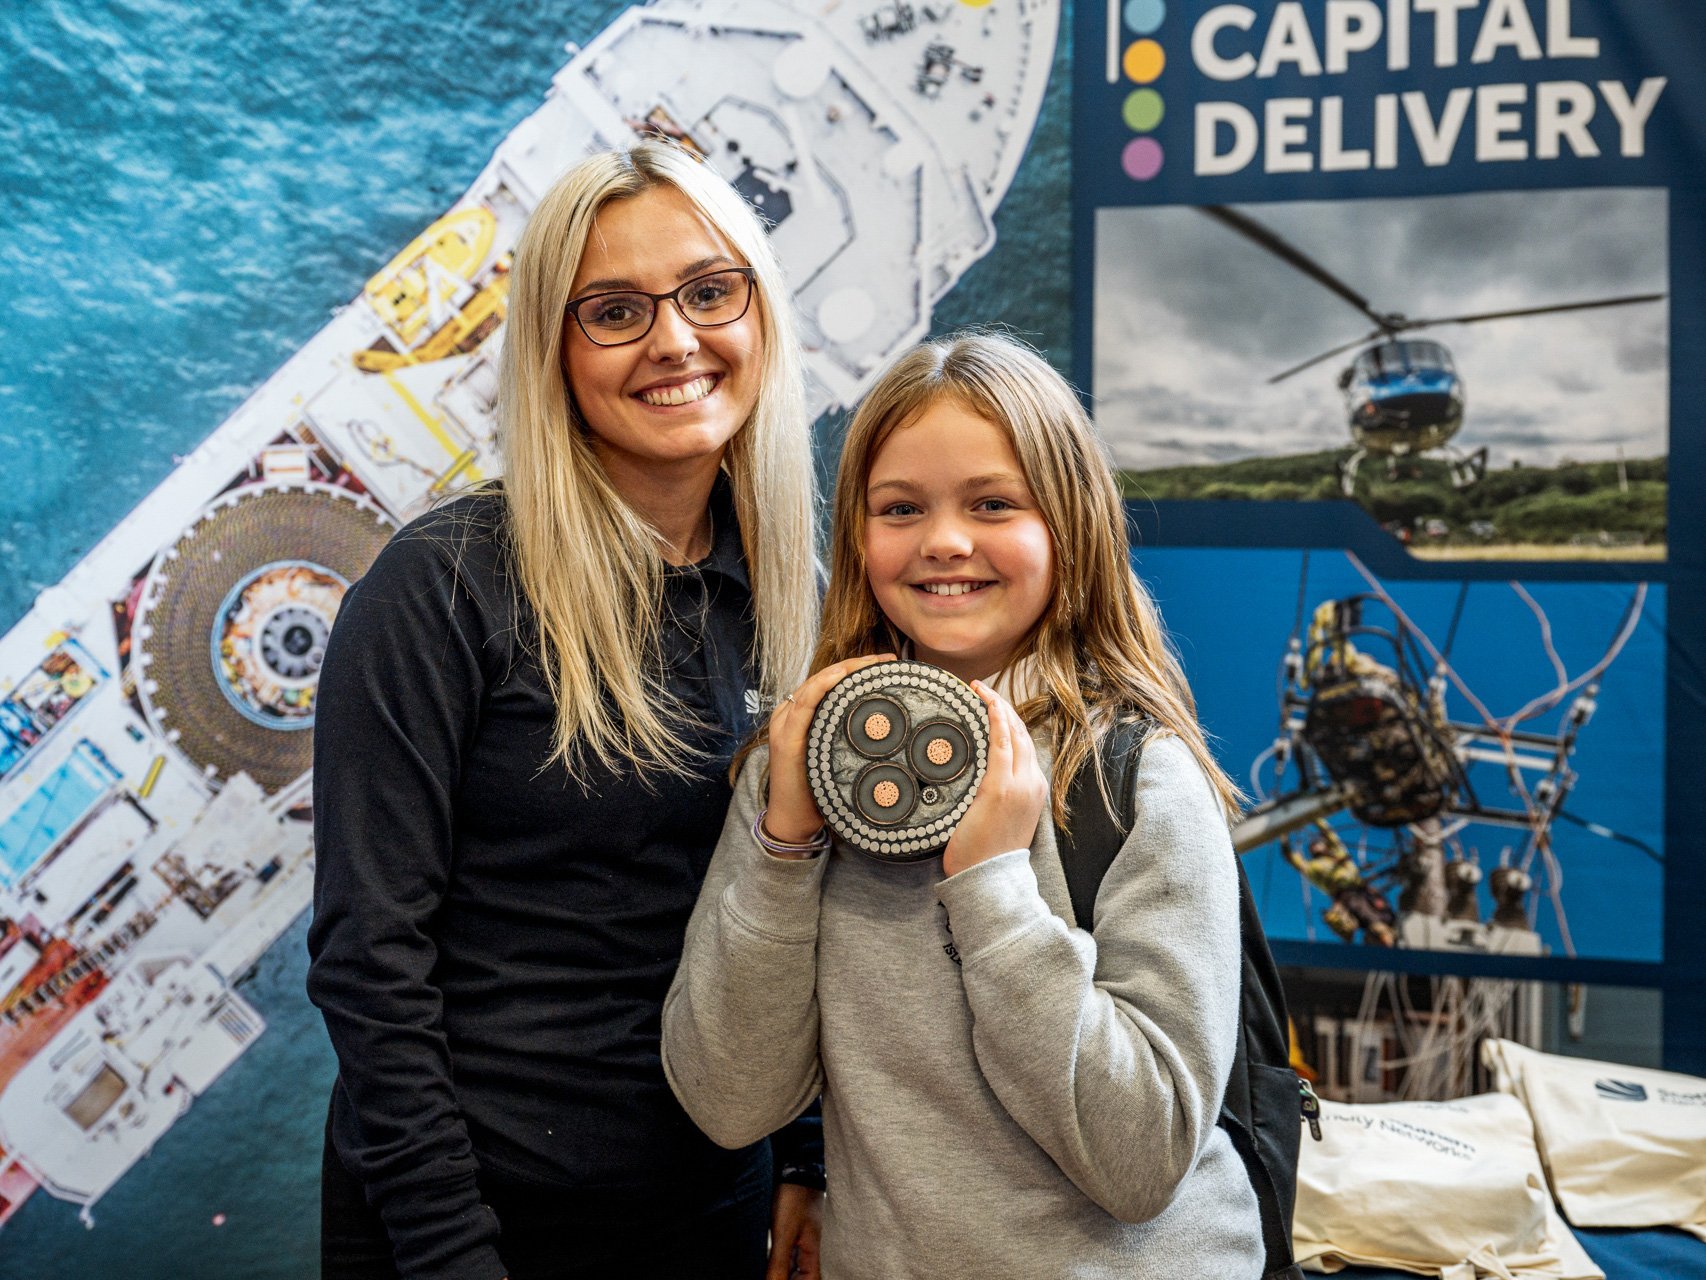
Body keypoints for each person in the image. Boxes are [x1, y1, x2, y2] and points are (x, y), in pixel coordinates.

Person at [307, 141, 825, 1280]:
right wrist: (449, 1251)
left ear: (759, 313)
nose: (674, 340)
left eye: (706, 290)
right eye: (613, 310)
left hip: (705, 1206)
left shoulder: (790, 592)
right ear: (553, 348)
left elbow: (798, 916)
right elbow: (367, 957)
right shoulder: (440, 588)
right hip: (474, 1218)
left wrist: (804, 1155)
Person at [662, 332, 1266, 1278]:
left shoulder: (1134, 781)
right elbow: (730, 1100)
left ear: (1070, 524)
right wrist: (783, 845)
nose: (944, 541)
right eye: (900, 508)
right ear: (859, 540)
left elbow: (1142, 1161)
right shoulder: (802, 769)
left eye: (993, 503)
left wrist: (992, 890)